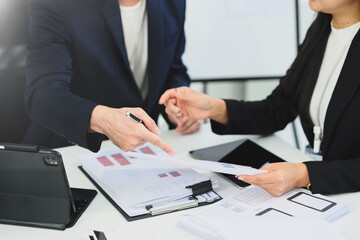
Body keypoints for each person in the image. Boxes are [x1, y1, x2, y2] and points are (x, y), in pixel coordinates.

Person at [160, 0, 360, 195]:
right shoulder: (321, 31)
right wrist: (213, 108)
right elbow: (278, 109)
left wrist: (305, 174)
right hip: (326, 193)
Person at [24, 0, 202, 155]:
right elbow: (42, 93)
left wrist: (177, 102)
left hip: (141, 153)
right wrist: (103, 120)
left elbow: (172, 67)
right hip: (69, 151)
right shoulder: (55, 3)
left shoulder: (173, 2)